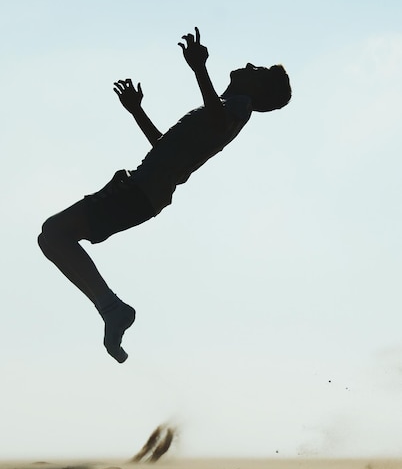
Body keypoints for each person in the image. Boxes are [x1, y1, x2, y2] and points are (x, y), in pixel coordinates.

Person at [38, 27, 291, 363]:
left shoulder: (237, 108)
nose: (248, 64)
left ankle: (112, 309)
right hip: (139, 190)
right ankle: (111, 308)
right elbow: (165, 148)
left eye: (257, 70)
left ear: (258, 89)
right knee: (53, 235)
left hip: (140, 193)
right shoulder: (229, 108)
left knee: (54, 234)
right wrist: (137, 111)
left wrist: (200, 69)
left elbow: (217, 122)